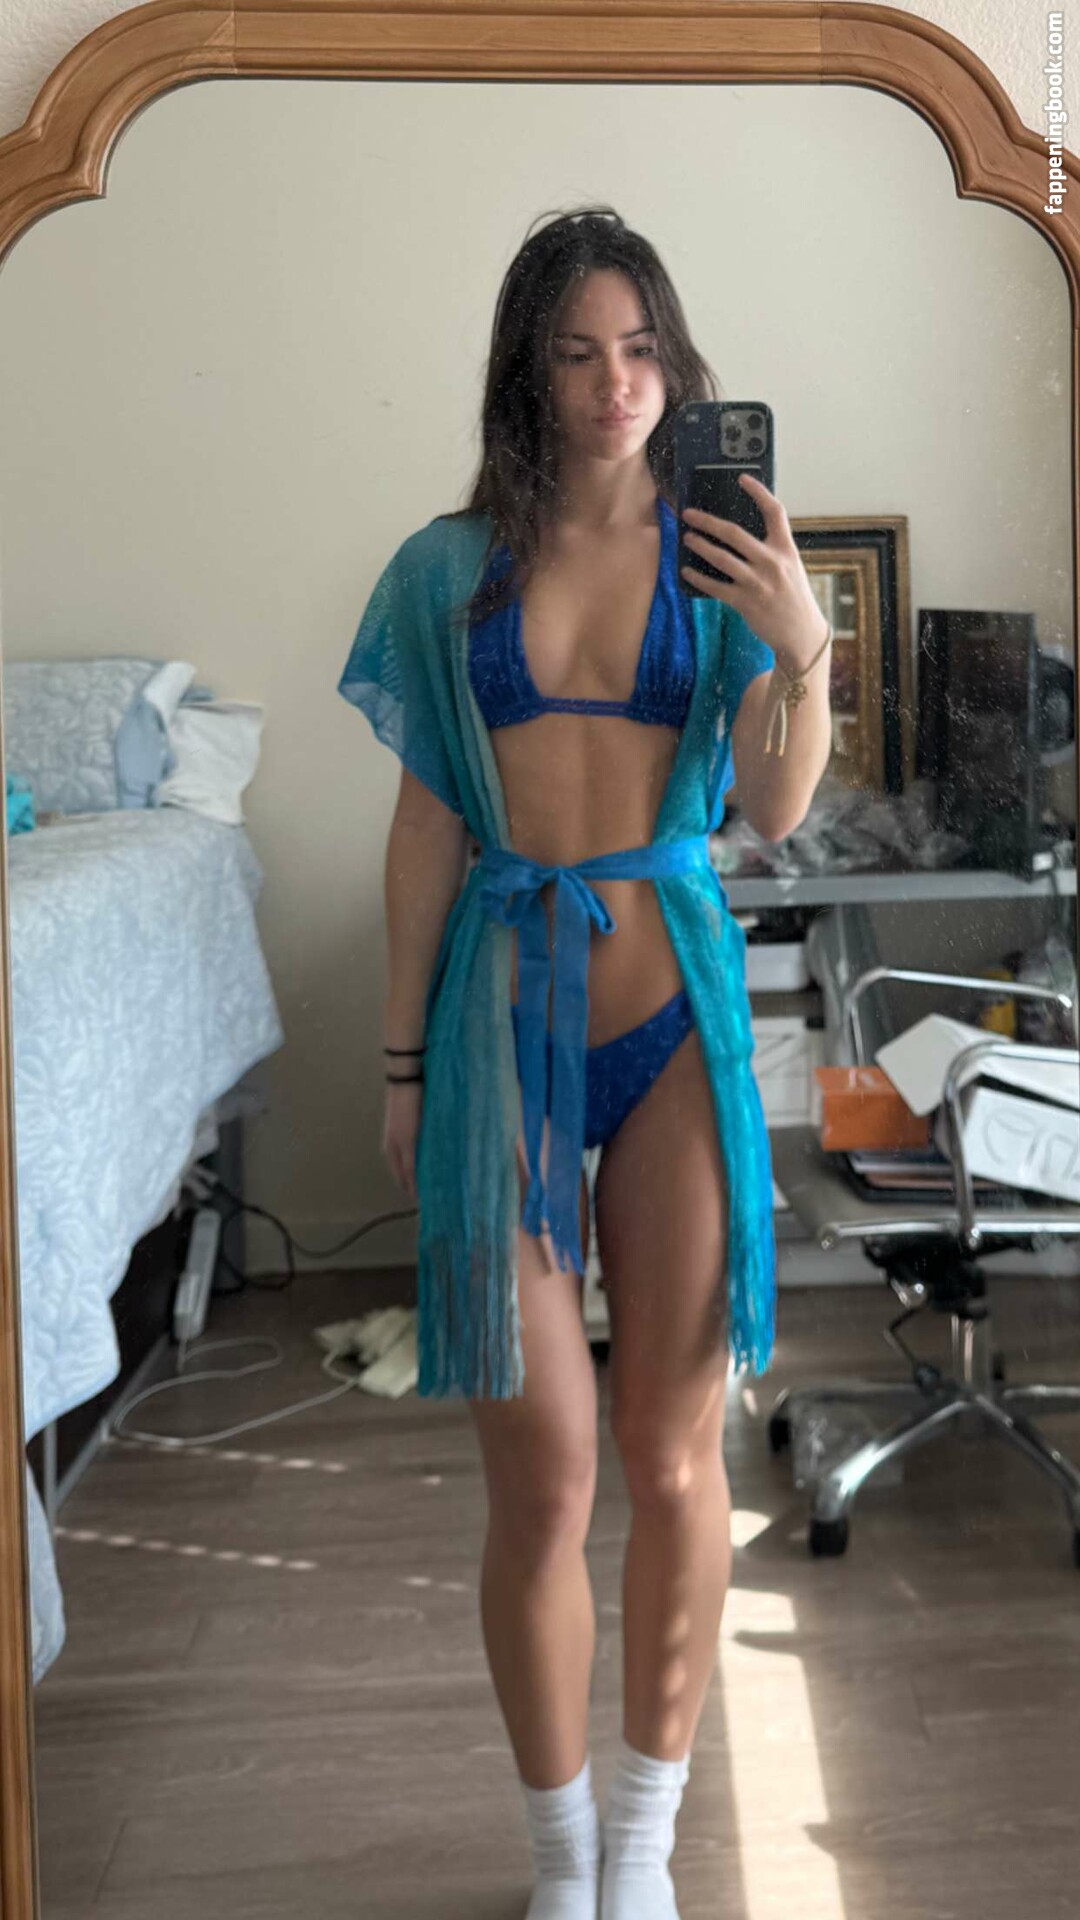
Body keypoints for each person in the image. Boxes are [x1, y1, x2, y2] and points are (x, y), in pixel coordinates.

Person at [339, 207, 832, 1920]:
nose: (614, 383)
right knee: (543, 1474)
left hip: (675, 1022)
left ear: (675, 367)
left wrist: (805, 645)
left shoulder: (725, 558)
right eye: (575, 353)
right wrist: (400, 1064)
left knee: (674, 1455)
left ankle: (644, 1849)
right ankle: (561, 1862)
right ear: (528, 374)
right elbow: (424, 828)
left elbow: (775, 808)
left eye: (639, 350)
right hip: (497, 1025)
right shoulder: (444, 568)